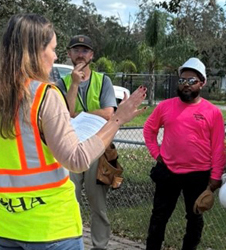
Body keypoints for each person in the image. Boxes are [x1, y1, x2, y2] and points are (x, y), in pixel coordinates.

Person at [0, 13, 146, 250]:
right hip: (51, 229)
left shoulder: (8, 95)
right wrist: (118, 119)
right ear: (38, 51)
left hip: (6, 225)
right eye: (53, 48)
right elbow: (76, 159)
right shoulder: (44, 94)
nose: (56, 56)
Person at [143, 57, 226, 250]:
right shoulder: (165, 106)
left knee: (195, 219)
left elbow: (218, 148)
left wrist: (215, 177)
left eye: (191, 81)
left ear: (202, 83)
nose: (185, 85)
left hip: (198, 174)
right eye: (182, 81)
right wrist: (157, 154)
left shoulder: (213, 112)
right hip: (168, 171)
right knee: (159, 217)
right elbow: (149, 130)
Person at [55, 35, 117, 250]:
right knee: (69, 201)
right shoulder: (61, 84)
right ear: (69, 54)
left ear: (92, 55)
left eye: (85, 50)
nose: (80, 54)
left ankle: (99, 245)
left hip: (96, 149)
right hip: (68, 149)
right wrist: (73, 84)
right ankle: (71, 243)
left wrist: (79, 115)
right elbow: (66, 114)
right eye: (76, 50)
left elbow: (109, 113)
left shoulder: (103, 81)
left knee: (97, 204)